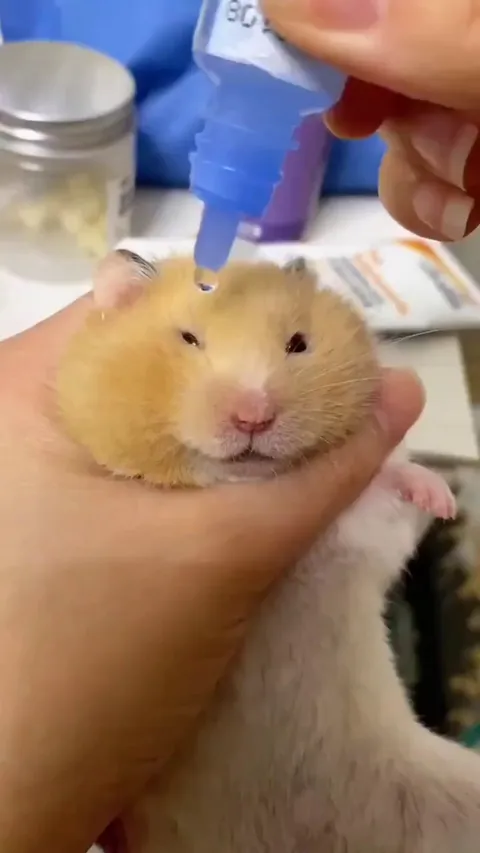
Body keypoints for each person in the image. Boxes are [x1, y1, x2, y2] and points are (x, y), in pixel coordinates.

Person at [0, 2, 478, 853]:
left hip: (359, 759)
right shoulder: (92, 442)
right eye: (189, 343)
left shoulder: (344, 431)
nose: (254, 408)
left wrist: (389, 484)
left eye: (297, 345)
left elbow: (358, 569)